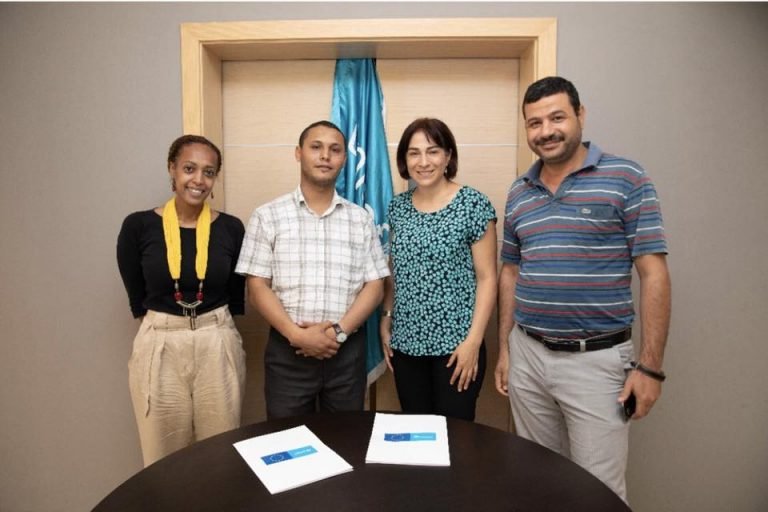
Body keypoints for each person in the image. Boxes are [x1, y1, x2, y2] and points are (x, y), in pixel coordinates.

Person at [495, 76, 671, 501]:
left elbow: (654, 273)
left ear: (580, 115)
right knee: (536, 482)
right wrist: (505, 349)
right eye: (534, 123)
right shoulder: (520, 192)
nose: (546, 131)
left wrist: (649, 368)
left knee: (598, 493)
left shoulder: (626, 177)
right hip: (528, 357)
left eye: (557, 117)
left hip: (596, 364)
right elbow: (510, 273)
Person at [235, 120, 389, 420]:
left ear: (344, 158)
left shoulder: (359, 220)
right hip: (287, 353)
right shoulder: (268, 216)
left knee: (345, 444)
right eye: (315, 147)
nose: (324, 156)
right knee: (288, 446)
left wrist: (339, 332)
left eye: (334, 150)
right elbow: (257, 287)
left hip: (345, 352)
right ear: (298, 153)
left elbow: (375, 286)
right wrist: (297, 335)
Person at [117, 135, 247, 467]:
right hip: (161, 342)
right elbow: (138, 298)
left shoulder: (231, 229)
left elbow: (235, 296)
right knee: (162, 459)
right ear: (172, 169)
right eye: (189, 168)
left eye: (208, 171)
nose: (198, 180)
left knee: (221, 454)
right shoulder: (138, 226)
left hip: (216, 339)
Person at [380, 118, 497, 421]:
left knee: (456, 439)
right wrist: (387, 315)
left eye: (432, 151)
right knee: (417, 440)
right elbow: (396, 270)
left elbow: (487, 279)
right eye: (414, 153)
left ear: (448, 156)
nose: (423, 162)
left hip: (457, 346)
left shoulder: (473, 204)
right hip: (406, 345)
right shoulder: (398, 208)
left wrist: (473, 342)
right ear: (404, 160)